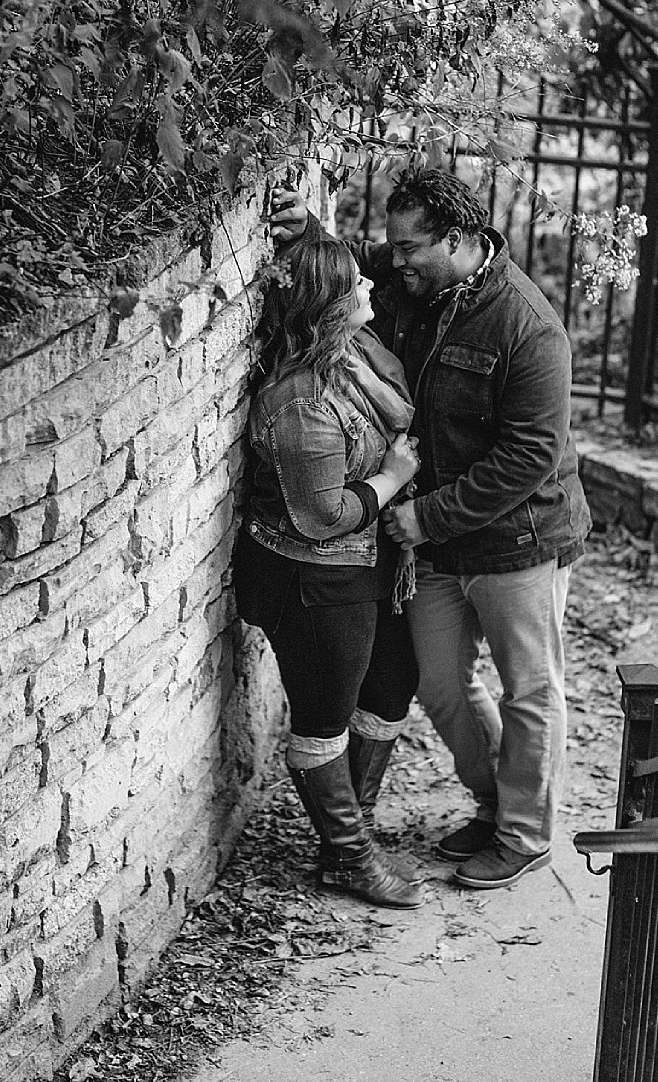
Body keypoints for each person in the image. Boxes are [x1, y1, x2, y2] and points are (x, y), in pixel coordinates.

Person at [271, 167, 591, 891]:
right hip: (438, 544)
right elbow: (353, 270)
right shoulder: (415, 274)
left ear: (460, 238)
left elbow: (531, 456)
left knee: (531, 689)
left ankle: (524, 833)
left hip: (521, 542)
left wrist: (424, 515)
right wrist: (313, 238)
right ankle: (494, 802)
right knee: (443, 685)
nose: (395, 263)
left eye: (411, 248)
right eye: (394, 246)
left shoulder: (528, 327)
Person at [239, 229, 427, 908]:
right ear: (329, 307)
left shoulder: (360, 352)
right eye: (356, 283)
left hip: (372, 559)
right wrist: (393, 477)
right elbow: (319, 516)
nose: (371, 286)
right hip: (311, 572)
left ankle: (356, 830)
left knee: (392, 684)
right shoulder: (300, 404)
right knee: (324, 714)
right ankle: (347, 855)